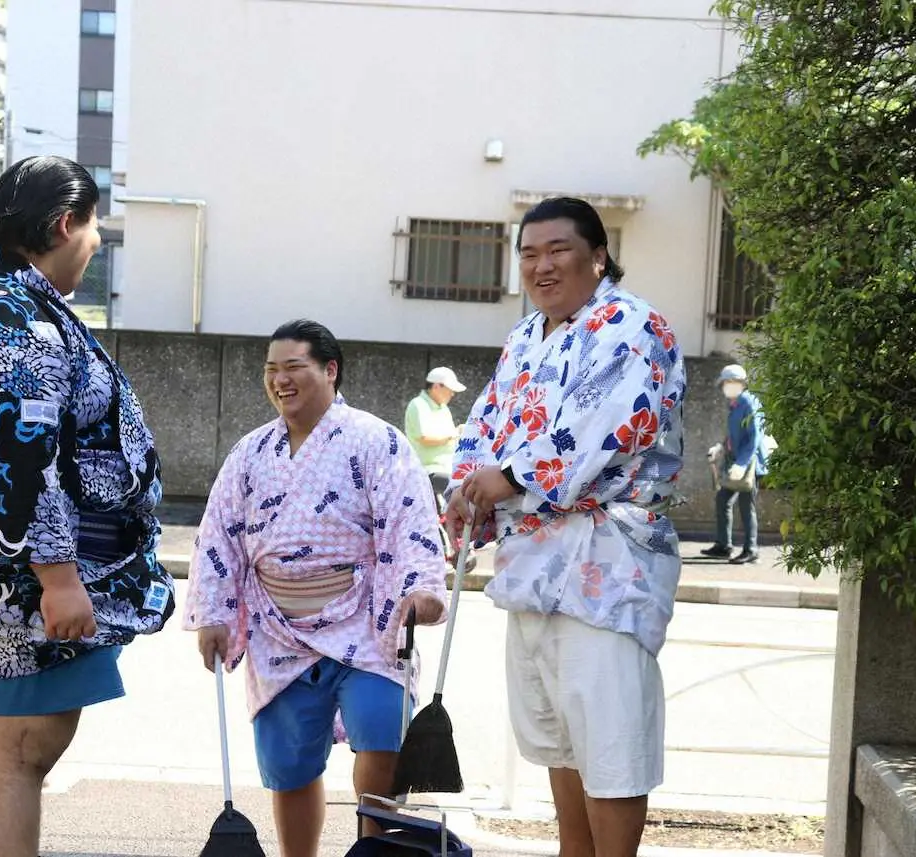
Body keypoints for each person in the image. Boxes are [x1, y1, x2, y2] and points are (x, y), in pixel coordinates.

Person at [0, 155, 176, 857]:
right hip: (30, 574)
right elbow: (20, 453)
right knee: (25, 743)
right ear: (66, 223)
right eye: (94, 228)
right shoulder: (8, 315)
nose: (95, 246)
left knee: (5, 731)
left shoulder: (10, 302)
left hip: (20, 566)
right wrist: (58, 577)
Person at [445, 197, 686, 857]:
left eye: (558, 250)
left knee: (610, 743)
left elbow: (603, 427)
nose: (541, 266)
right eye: (529, 253)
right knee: (559, 739)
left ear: (597, 255)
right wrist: (467, 488)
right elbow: (485, 425)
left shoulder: (634, 325)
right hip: (532, 564)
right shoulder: (526, 337)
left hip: (609, 560)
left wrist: (510, 479)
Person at [184, 319, 449, 857]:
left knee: (381, 730)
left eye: (293, 368)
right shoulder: (250, 453)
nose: (280, 380)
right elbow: (219, 536)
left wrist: (420, 586)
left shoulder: (378, 441)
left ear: (330, 371)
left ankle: (373, 849)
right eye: (271, 371)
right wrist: (213, 612)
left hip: (364, 618)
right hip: (275, 625)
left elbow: (408, 519)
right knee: (289, 763)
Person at [701, 364, 768, 564]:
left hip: (748, 464)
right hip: (736, 462)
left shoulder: (749, 403)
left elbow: (754, 437)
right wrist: (720, 447)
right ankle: (724, 545)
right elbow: (734, 435)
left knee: (747, 506)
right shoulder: (735, 404)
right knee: (723, 500)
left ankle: (751, 549)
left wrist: (741, 464)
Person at [404, 366, 467, 498]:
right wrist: (452, 435)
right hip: (427, 470)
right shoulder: (418, 404)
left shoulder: (444, 408)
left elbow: (450, 436)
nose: (452, 394)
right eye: (450, 389)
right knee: (461, 492)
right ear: (437, 386)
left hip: (448, 469)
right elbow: (424, 438)